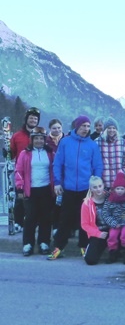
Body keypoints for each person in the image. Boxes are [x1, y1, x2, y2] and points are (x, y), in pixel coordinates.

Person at [48, 115, 104, 260]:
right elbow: (58, 163)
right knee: (64, 219)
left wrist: (95, 186)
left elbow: (97, 166)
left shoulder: (92, 145)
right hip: (69, 187)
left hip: (86, 189)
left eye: (87, 126)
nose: (86, 129)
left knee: (86, 220)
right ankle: (59, 247)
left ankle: (84, 246)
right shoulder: (65, 142)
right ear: (77, 127)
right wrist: (58, 182)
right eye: (83, 126)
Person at [15, 127, 55, 256]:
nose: (39, 141)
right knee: (30, 218)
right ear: (32, 140)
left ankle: (44, 243)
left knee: (46, 218)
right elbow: (19, 171)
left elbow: (55, 170)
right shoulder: (24, 153)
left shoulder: (50, 153)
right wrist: (20, 188)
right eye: (36, 138)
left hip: (46, 189)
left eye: (41, 138)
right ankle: (28, 244)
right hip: (30, 190)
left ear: (45, 140)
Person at [9, 106, 40, 233]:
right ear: (26, 119)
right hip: (21, 174)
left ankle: (35, 222)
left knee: (36, 199)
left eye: (35, 118)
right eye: (31, 118)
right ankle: (18, 222)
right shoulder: (17, 136)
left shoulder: (39, 135)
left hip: (37, 173)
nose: (33, 120)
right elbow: (11, 154)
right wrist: (7, 151)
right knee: (20, 198)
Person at [80, 176, 110, 265]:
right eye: (95, 187)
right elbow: (84, 224)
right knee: (90, 260)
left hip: (112, 229)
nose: (98, 189)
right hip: (98, 232)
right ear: (91, 188)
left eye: (100, 186)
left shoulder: (110, 197)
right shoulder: (86, 203)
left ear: (103, 185)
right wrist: (98, 234)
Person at [95, 117, 125, 190]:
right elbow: (94, 160)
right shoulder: (97, 142)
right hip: (103, 180)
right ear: (105, 129)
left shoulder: (122, 141)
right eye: (109, 128)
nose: (112, 130)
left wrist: (123, 171)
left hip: (118, 179)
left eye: (114, 128)